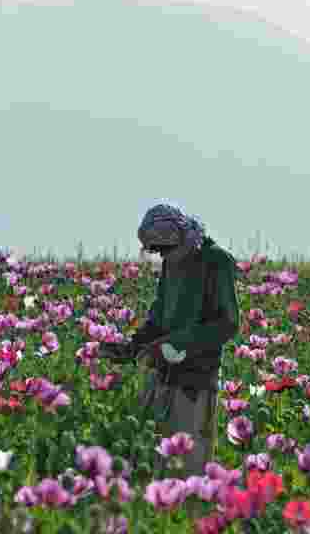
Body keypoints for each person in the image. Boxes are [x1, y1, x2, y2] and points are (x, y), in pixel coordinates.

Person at [104, 201, 240, 495]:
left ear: (179, 237)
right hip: (162, 377)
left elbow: (227, 323)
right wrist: (131, 348)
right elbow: (159, 317)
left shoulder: (216, 261)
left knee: (187, 468)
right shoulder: (172, 264)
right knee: (153, 462)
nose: (162, 256)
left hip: (195, 380)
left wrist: (174, 343)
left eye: (163, 249)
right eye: (156, 251)